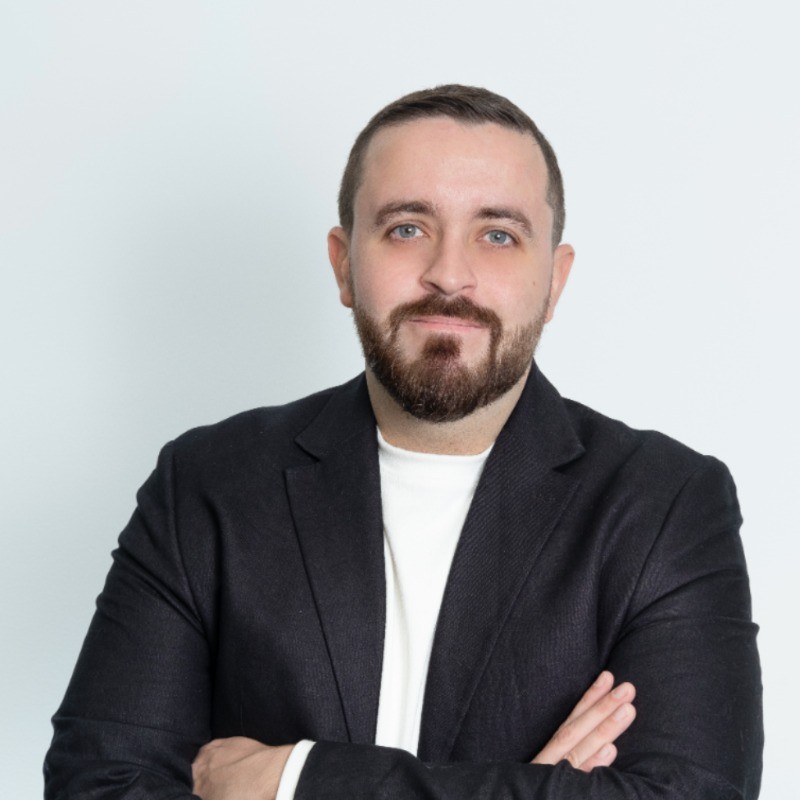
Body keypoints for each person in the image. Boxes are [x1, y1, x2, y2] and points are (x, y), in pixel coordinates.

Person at [44, 84, 763, 799]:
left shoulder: (665, 504)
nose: (449, 274)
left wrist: (299, 779)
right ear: (343, 264)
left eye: (498, 235)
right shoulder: (208, 484)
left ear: (554, 282)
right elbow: (94, 784)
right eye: (407, 229)